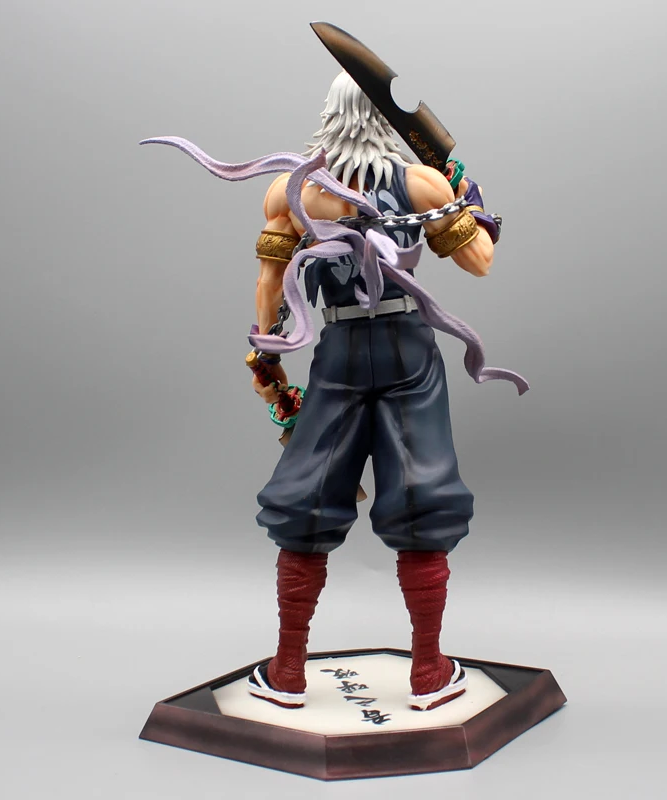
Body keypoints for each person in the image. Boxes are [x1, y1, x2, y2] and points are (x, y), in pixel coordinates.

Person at [246, 72, 507, 712]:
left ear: (330, 113)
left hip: (338, 347)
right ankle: (428, 672)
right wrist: (464, 191)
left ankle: (288, 671)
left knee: (307, 495)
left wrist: (267, 357)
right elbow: (480, 261)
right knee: (423, 493)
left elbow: (270, 283)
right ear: (389, 118)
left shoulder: (292, 188)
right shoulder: (421, 184)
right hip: (406, 346)